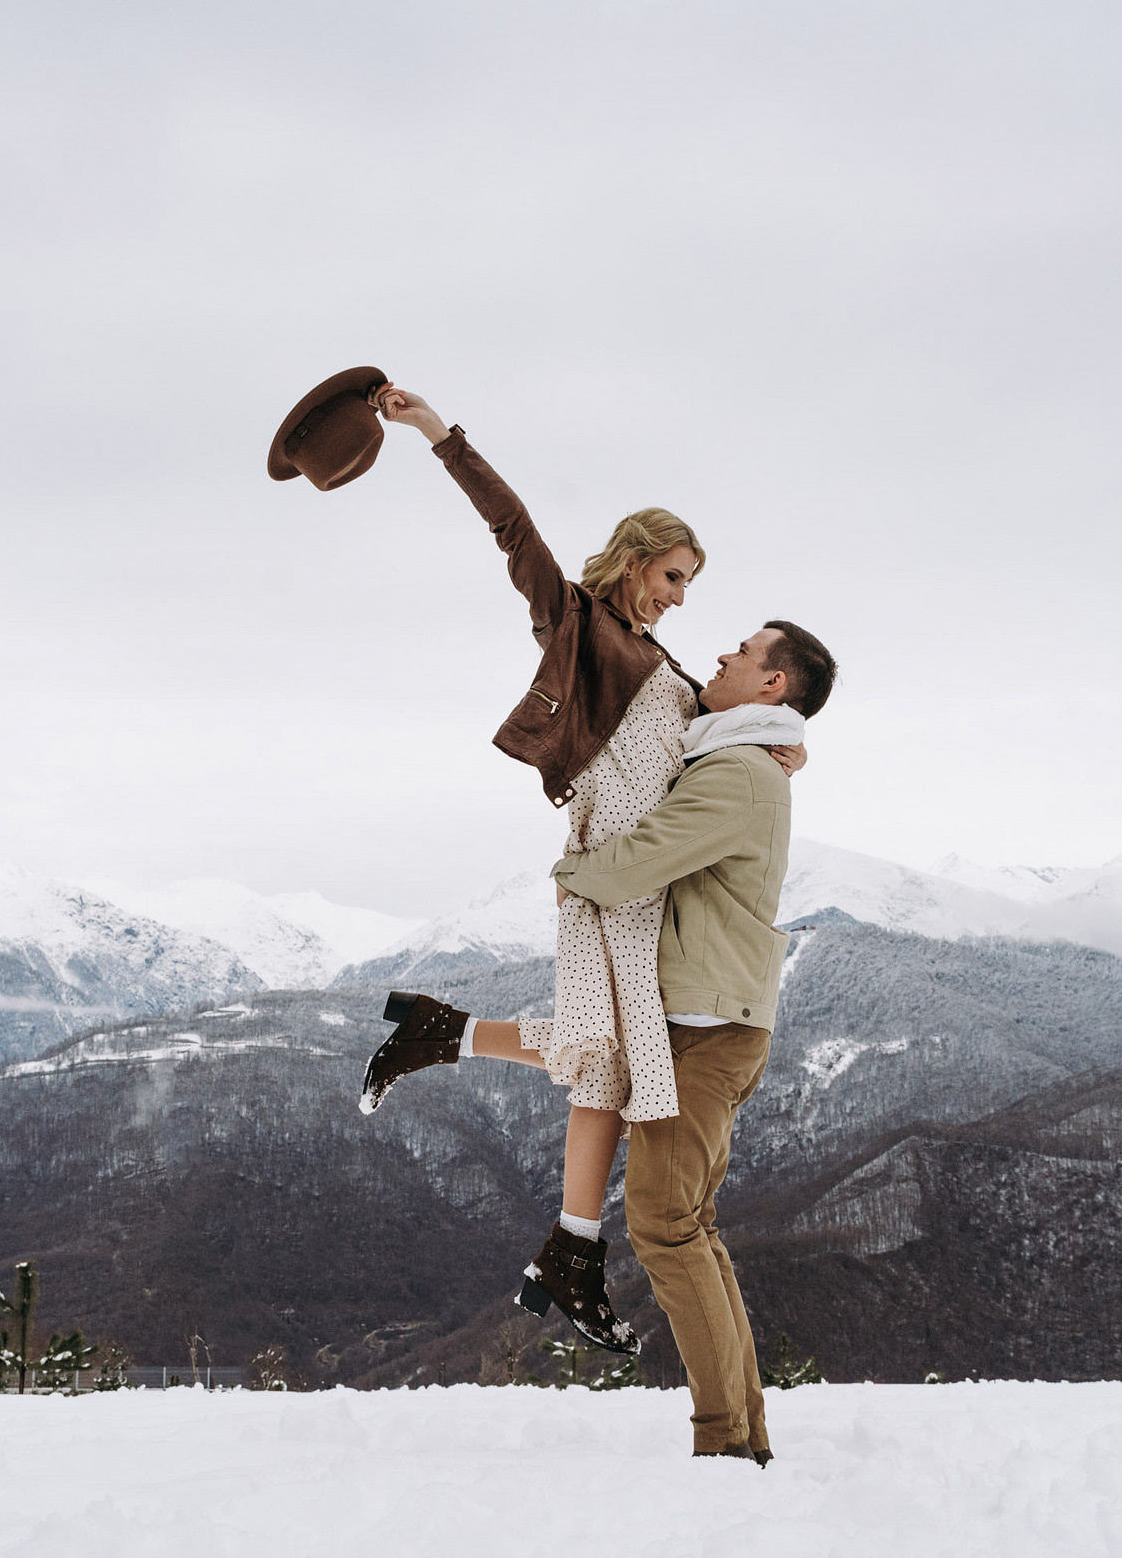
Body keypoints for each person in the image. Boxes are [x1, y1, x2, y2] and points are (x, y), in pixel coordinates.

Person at [357, 384, 803, 1354]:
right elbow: (508, 525)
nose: (682, 595)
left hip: (657, 883)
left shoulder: (666, 661)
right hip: (610, 879)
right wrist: (437, 432)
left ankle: (551, 1209)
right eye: (676, 574)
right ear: (638, 558)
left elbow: (712, 744)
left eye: (690, 583)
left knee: (603, 1057)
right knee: (613, 1059)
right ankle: (567, 1240)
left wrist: (778, 746)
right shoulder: (576, 624)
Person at [547, 615, 835, 1461]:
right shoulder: (742, 758)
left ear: (773, 686)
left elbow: (641, 858)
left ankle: (725, 1446)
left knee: (666, 1229)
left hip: (705, 1034)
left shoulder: (741, 773)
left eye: (745, 653)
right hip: (715, 1022)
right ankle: (744, 1436)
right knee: (692, 1227)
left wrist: (566, 873)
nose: (722, 653)